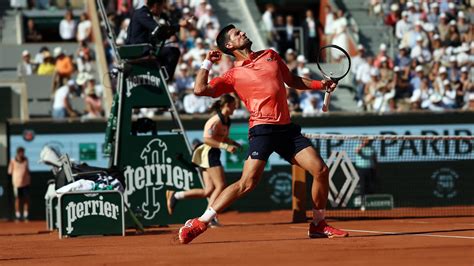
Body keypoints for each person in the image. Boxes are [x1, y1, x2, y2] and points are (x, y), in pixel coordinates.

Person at [177, 24, 348, 244]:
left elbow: (292, 80)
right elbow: (200, 90)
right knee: (247, 183)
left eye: (241, 30)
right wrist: (207, 62)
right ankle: (200, 221)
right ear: (229, 45)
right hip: (262, 130)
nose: (243, 32)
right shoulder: (233, 75)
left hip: (286, 129)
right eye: (237, 34)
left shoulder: (271, 55)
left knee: (321, 170)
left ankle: (318, 224)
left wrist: (319, 84)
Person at [166, 94, 240, 227]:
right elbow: (206, 139)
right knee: (221, 185)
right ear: (227, 105)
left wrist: (233, 143)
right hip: (209, 153)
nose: (236, 107)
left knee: (208, 190)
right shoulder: (215, 120)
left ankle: (176, 195)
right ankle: (209, 217)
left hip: (213, 152)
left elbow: (221, 137)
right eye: (234, 104)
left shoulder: (227, 120)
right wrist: (225, 146)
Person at [126, 0, 191, 77]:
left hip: (143, 49)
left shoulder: (146, 14)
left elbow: (159, 35)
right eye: (162, 7)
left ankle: (159, 76)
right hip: (138, 50)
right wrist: (179, 25)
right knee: (173, 52)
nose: (162, 10)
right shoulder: (142, 14)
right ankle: (162, 78)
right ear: (156, 5)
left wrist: (170, 29)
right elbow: (159, 31)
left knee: (165, 51)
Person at [8, 147, 31, 221]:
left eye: (23, 152)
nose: (22, 154)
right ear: (18, 153)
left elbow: (27, 170)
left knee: (26, 199)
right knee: (17, 199)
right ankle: (18, 215)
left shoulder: (26, 160)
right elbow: (10, 172)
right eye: (21, 152)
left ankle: (25, 214)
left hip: (26, 183)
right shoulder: (12, 160)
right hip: (16, 184)